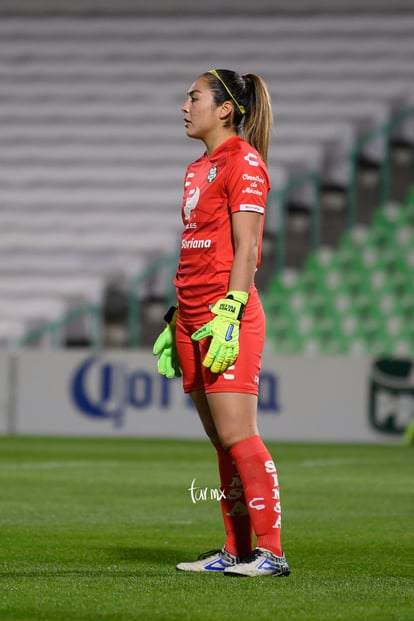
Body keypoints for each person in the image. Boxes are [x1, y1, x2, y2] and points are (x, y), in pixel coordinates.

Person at [153, 68, 290, 578]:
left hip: (225, 316)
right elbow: (197, 248)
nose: (185, 106)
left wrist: (229, 311)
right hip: (192, 319)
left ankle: (271, 554)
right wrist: (177, 318)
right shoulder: (197, 168)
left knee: (240, 434)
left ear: (225, 108)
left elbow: (248, 248)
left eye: (194, 97)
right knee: (221, 440)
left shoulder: (244, 162)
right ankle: (236, 552)